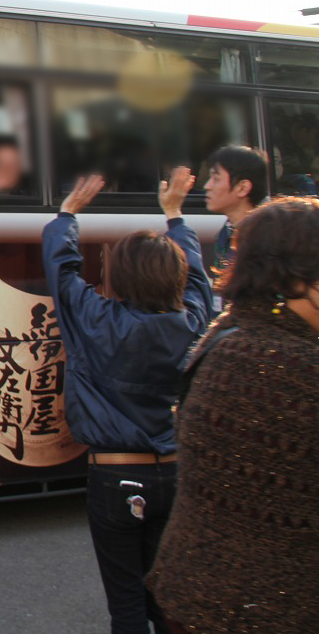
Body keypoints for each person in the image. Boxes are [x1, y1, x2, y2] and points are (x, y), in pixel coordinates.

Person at [43, 168, 213, 634]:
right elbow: (198, 278)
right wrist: (175, 214)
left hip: (115, 475)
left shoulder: (97, 319)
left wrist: (67, 215)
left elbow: (62, 270)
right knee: (168, 601)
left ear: (119, 276)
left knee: (127, 606)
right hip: (177, 473)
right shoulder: (194, 322)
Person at [148, 197, 319, 632]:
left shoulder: (225, 334)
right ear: (304, 278)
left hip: (193, 592)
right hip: (273, 609)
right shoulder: (296, 367)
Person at [202, 145, 267, 277]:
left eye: (216, 179)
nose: (207, 186)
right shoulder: (227, 231)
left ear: (243, 188)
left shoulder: (266, 239)